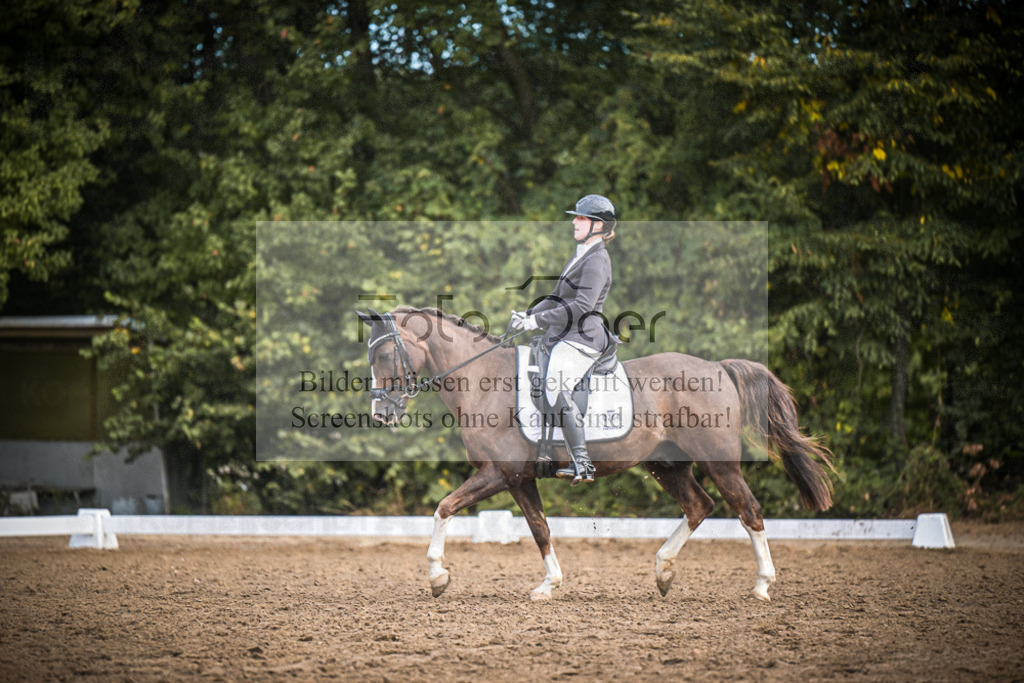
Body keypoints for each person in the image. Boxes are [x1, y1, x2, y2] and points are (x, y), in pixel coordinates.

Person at [510, 194, 617, 485]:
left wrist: (537, 321)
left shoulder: (597, 260)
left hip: (582, 337)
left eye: (581, 218)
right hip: (566, 334)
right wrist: (527, 314)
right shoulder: (581, 254)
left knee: (555, 385)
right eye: (576, 217)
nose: (574, 221)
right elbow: (557, 297)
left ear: (598, 225)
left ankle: (582, 464)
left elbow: (583, 305)